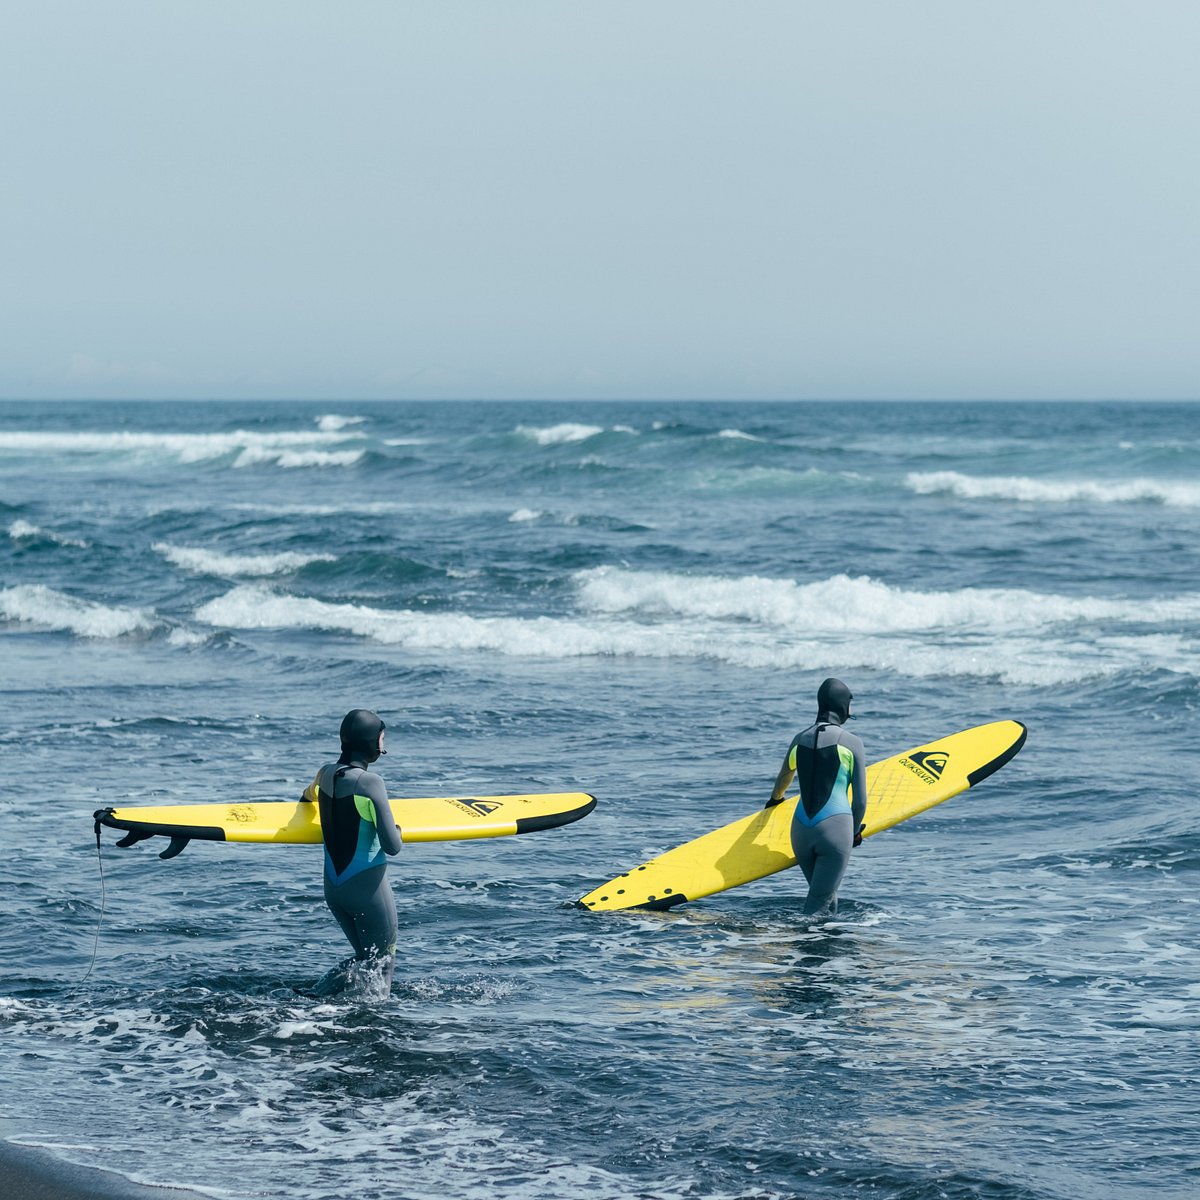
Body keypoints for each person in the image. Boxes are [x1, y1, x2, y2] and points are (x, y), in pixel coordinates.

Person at [301, 709, 402, 993]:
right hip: (366, 887)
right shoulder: (371, 783)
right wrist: (399, 830)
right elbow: (392, 846)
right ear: (373, 743)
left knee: (365, 960)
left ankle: (315, 996)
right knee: (382, 960)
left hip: (334, 887)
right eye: (382, 739)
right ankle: (376, 1023)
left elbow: (306, 796)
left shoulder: (325, 773)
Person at [766, 678, 867, 916]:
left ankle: (823, 949)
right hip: (834, 830)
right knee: (816, 908)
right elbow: (860, 801)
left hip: (800, 831)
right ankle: (792, 946)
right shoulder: (852, 743)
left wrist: (775, 802)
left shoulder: (800, 739)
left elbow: (783, 780)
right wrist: (854, 833)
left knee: (825, 899)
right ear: (843, 705)